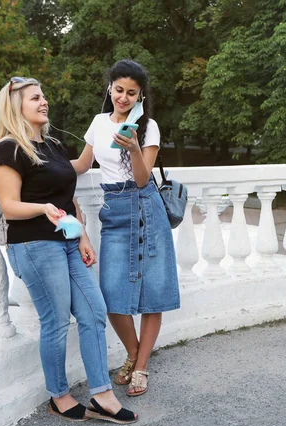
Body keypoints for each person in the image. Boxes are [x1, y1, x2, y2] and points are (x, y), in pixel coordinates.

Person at [0, 76, 137, 424]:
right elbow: (9, 206)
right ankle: (59, 395)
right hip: (35, 245)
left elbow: (66, 193)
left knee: (94, 312)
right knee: (55, 322)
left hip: (68, 242)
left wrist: (82, 234)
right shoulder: (9, 149)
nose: (44, 102)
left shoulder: (53, 145)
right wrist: (41, 209)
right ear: (16, 107)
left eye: (43, 96)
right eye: (34, 98)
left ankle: (102, 396)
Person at [72, 60, 180, 397]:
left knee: (153, 293)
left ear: (140, 96)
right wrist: (42, 161)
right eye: (119, 90)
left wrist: (133, 147)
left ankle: (141, 366)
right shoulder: (98, 123)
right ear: (110, 88)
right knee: (111, 294)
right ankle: (133, 353)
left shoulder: (149, 128)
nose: (123, 97)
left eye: (131, 93)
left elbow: (143, 177)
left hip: (146, 207)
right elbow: (81, 164)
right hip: (114, 212)